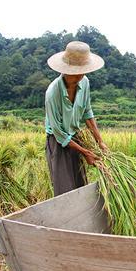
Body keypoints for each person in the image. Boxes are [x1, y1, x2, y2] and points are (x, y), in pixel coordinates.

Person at [45, 41, 108, 196]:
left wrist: (100, 142)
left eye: (84, 70)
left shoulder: (84, 82)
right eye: (79, 71)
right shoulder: (53, 93)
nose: (82, 74)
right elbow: (58, 132)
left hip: (76, 138)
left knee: (80, 185)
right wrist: (85, 152)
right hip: (58, 142)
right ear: (68, 70)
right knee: (65, 190)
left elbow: (87, 112)